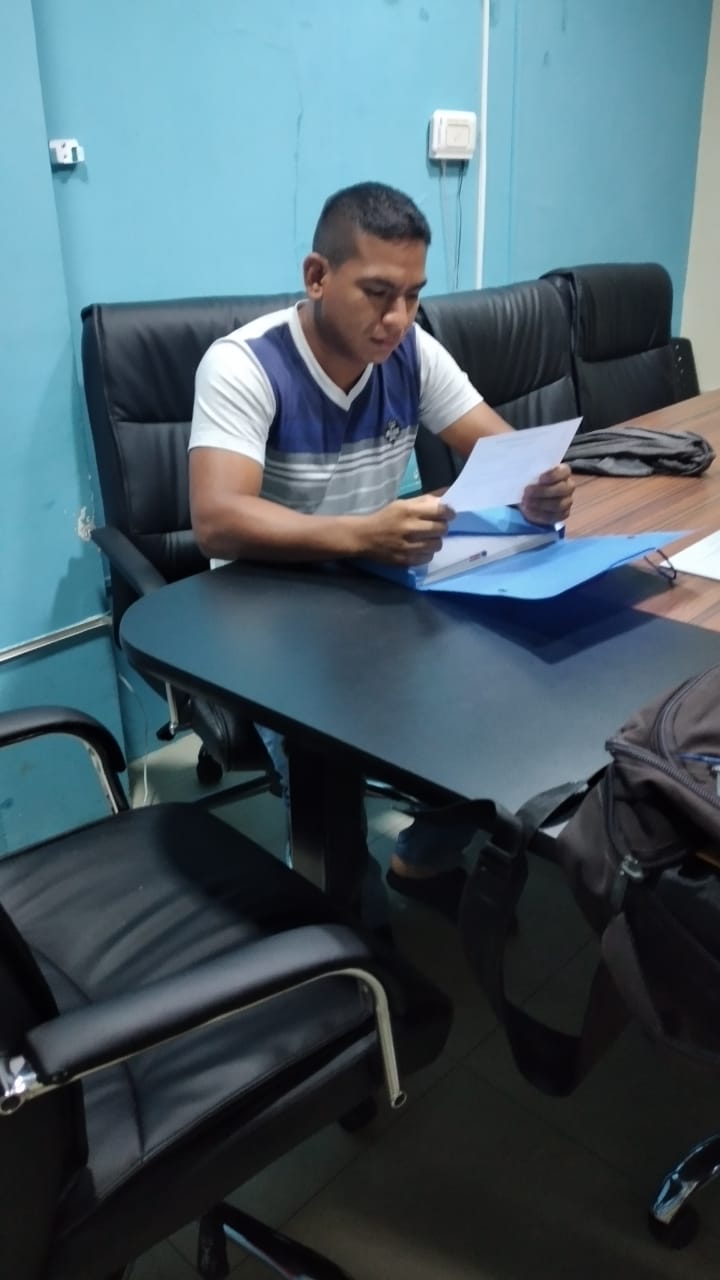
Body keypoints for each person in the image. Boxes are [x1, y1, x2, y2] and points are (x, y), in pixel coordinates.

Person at [189, 181, 574, 919]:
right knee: (328, 788)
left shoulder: (410, 351)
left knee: (513, 696)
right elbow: (217, 519)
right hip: (265, 613)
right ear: (317, 276)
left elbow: (501, 447)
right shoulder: (244, 365)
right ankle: (348, 930)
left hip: (376, 588)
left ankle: (421, 860)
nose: (398, 317)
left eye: (413, 295)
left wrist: (537, 483)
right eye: (377, 293)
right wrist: (362, 533)